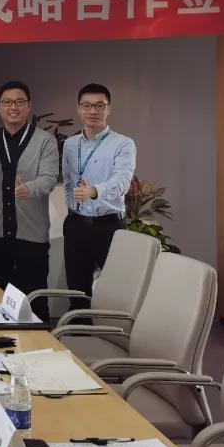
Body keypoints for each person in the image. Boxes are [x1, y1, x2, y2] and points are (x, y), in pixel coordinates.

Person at [0, 81, 59, 317]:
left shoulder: (45, 140)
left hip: (31, 236)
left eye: (19, 101)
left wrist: (29, 188)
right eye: (7, 102)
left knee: (36, 300)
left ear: (29, 106)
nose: (13, 107)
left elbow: (49, 178)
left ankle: (42, 340)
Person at [62, 83, 137, 308]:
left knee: (116, 292)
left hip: (109, 226)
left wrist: (93, 191)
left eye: (99, 105)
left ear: (108, 109)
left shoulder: (123, 144)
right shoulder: (70, 144)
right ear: (78, 109)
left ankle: (113, 331)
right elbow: (67, 181)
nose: (92, 111)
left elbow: (122, 182)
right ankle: (79, 330)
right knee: (77, 292)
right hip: (76, 225)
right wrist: (73, 203)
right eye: (86, 105)